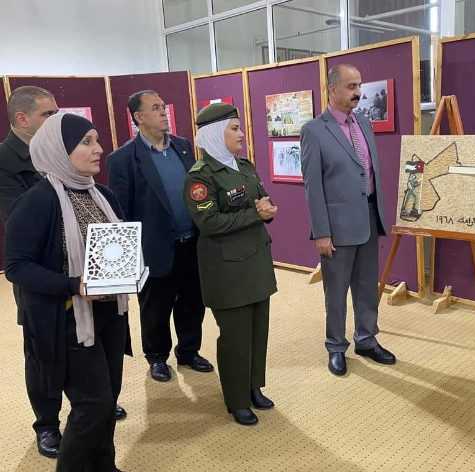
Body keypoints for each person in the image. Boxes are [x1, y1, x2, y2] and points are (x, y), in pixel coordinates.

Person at [0, 86, 126, 460]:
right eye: (87, 142)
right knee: (92, 405)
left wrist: (132, 268)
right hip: (66, 316)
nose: (99, 149)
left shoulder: (102, 194)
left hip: (109, 311)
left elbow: (116, 247)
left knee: (108, 398)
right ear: (59, 150)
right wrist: (74, 285)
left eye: (96, 140)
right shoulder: (37, 201)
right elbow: (16, 266)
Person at [107, 90, 212, 382]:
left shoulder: (182, 146)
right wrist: (131, 257)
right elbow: (121, 212)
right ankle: (157, 357)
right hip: (154, 247)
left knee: (192, 302)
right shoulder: (123, 159)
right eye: (155, 108)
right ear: (138, 117)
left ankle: (189, 351)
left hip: (191, 242)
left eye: (163, 107)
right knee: (155, 308)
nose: (164, 112)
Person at [183, 103, 277, 426]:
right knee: (235, 337)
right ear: (213, 133)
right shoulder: (200, 176)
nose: (241, 134)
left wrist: (267, 210)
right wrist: (256, 214)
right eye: (234, 128)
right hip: (227, 269)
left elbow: (261, 199)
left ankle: (253, 387)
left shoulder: (244, 166)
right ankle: (237, 400)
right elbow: (209, 222)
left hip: (256, 262)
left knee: (257, 331)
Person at [300, 64, 396, 376]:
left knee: (367, 286)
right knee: (336, 291)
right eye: (351, 86)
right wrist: (321, 232)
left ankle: (366, 339)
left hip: (369, 217)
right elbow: (313, 187)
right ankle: (336, 346)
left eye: (359, 85)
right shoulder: (314, 130)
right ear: (333, 89)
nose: (358, 92)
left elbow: (368, 171)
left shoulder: (364, 123)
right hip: (336, 226)